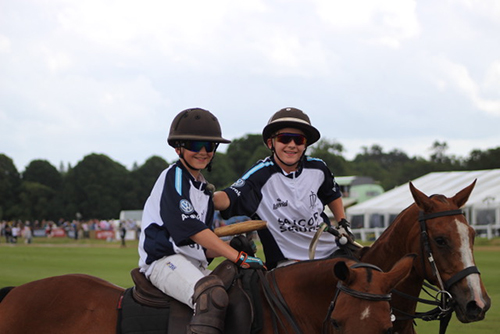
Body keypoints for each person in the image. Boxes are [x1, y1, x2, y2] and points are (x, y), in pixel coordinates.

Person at [138, 107, 265, 334]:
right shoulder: (174, 177)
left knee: (241, 291)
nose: (204, 152)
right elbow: (192, 230)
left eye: (210, 146)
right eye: (196, 145)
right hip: (163, 261)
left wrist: (232, 247)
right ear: (179, 148)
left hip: (191, 263)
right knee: (211, 295)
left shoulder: (204, 191)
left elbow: (199, 247)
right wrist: (236, 256)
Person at [214, 107, 353, 269]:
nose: (292, 145)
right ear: (270, 143)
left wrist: (343, 222)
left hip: (331, 250)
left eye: (299, 140)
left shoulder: (318, 168)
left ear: (305, 144)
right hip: (288, 262)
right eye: (284, 139)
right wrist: (208, 196)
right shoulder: (260, 175)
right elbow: (228, 197)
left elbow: (332, 194)